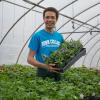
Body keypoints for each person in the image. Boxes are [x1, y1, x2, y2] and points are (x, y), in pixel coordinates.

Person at [27, 7, 64, 80]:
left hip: (58, 72)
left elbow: (64, 53)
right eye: (47, 17)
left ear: (56, 19)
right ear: (44, 19)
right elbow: (30, 58)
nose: (50, 20)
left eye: (52, 17)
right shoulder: (37, 36)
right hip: (42, 72)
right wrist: (45, 66)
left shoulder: (59, 36)